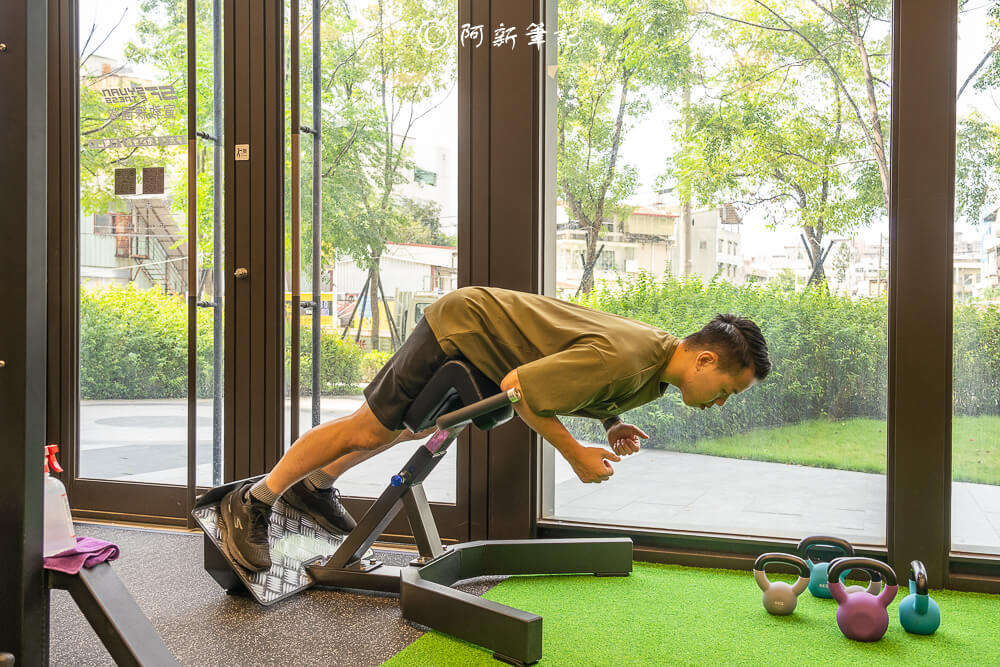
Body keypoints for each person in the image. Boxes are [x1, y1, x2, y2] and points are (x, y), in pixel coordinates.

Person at [218, 286, 771, 571]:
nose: (720, 403)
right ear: (704, 362)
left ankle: (317, 485)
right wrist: (576, 453)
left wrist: (612, 421)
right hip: (463, 327)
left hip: (482, 336)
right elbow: (522, 388)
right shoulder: (630, 360)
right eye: (727, 389)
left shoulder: (655, 367)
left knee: (409, 428)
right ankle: (256, 498)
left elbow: (585, 380)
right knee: (368, 428)